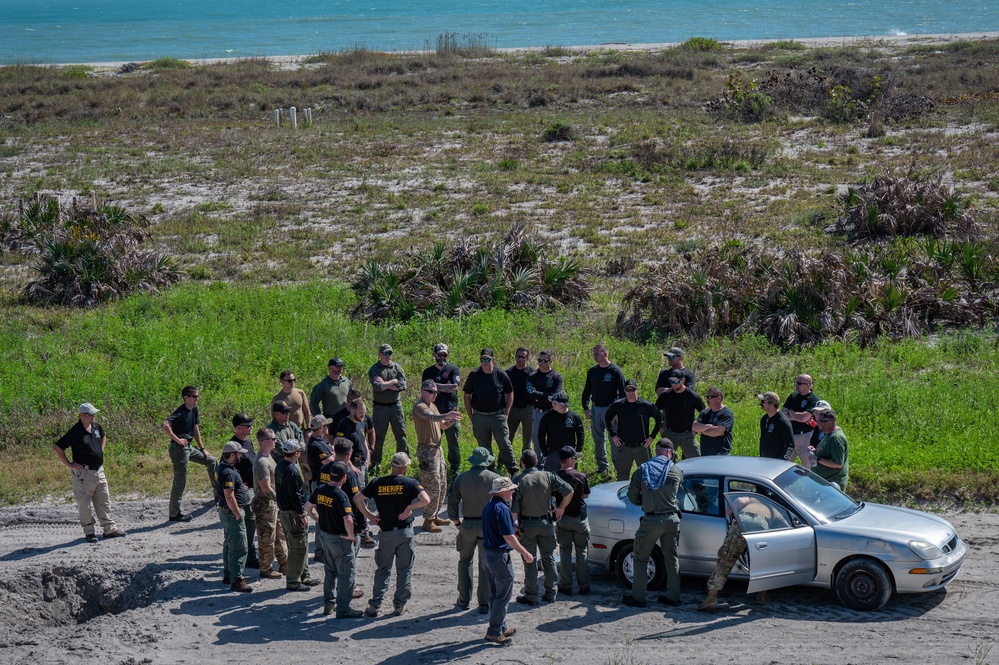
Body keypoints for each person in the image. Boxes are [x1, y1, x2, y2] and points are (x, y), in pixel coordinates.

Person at [354, 452, 430, 617]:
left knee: (383, 570)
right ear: (406, 467)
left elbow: (357, 498)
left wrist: (370, 516)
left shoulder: (377, 483)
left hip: (386, 533)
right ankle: (399, 605)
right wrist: (409, 508)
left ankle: (375, 605)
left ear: (391, 464)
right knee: (404, 570)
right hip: (405, 532)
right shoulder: (410, 483)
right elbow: (426, 500)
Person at [52, 403, 126, 543]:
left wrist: (101, 449)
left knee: (104, 501)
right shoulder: (76, 431)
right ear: (82, 415)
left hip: (99, 470)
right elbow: (57, 447)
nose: (94, 416)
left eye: (93, 414)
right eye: (91, 414)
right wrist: (69, 464)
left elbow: (103, 436)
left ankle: (109, 529)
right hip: (83, 473)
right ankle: (89, 532)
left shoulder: (97, 426)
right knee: (84, 504)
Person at [622, 439, 683, 608]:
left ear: (657, 452)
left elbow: (632, 495)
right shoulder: (676, 471)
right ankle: (674, 596)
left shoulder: (643, 470)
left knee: (641, 558)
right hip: (672, 520)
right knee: (671, 558)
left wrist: (646, 500)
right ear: (669, 453)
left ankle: (638, 597)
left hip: (652, 520)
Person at [511, 450, 574, 605]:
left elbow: (514, 509)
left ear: (522, 463)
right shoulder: (548, 475)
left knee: (529, 560)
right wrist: (561, 508)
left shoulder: (518, 480)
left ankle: (531, 596)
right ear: (537, 462)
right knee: (549, 558)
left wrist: (514, 526)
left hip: (528, 525)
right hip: (546, 523)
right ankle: (551, 593)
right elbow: (569, 491)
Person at [304, 461, 363, 618]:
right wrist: (351, 535)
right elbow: (348, 519)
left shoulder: (320, 489)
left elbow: (308, 507)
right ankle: (343, 609)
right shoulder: (340, 494)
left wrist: (318, 519)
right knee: (346, 573)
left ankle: (328, 605)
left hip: (325, 536)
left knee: (330, 572)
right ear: (344, 477)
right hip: (340, 539)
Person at [481, 476, 535, 646]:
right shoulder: (502, 509)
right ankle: (494, 632)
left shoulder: (488, 506)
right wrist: (525, 552)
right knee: (503, 596)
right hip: (498, 556)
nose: (513, 491)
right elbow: (509, 537)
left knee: (495, 594)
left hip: (487, 554)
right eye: (511, 489)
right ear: (503, 492)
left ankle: (501, 627)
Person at [446, 447, 500, 613]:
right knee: (486, 565)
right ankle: (484, 603)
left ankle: (464, 599)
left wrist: (456, 521)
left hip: (467, 525)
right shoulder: (495, 478)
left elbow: (452, 501)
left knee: (464, 562)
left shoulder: (461, 478)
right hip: (488, 526)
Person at [697, 495, 773, 611]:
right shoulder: (774, 508)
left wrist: (731, 512)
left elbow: (737, 503)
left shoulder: (752, 499)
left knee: (726, 561)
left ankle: (711, 598)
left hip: (742, 521)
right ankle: (762, 596)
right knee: (760, 563)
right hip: (761, 526)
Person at [412, 379, 461, 532]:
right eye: (432, 392)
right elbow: (430, 417)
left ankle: (434, 515)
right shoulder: (420, 406)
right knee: (432, 486)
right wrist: (447, 414)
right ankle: (427, 520)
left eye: (436, 392)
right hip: (427, 451)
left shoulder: (433, 405)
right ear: (423, 392)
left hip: (437, 450)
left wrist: (451, 420)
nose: (435, 395)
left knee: (441, 485)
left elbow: (440, 425)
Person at [162, 386, 216, 523]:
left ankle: (219, 495)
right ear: (186, 398)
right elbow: (164, 425)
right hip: (179, 449)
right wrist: (177, 439)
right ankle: (174, 513)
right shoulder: (180, 412)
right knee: (180, 480)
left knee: (211, 461)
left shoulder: (194, 409)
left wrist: (203, 448)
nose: (197, 399)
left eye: (197, 396)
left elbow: (195, 429)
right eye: (195, 396)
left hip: (189, 447)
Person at [463, 348, 517, 475]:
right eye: (482, 359)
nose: (484, 362)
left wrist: (507, 413)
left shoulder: (501, 374)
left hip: (498, 415)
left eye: (487, 359)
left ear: (493, 360)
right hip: (480, 416)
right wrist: (471, 416)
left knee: (504, 443)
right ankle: (490, 469)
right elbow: (466, 395)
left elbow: (510, 393)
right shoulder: (474, 374)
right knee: (484, 445)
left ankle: (512, 468)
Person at [275, 439, 318, 591]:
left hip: (286, 513)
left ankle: (304, 576)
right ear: (297, 453)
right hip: (293, 514)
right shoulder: (292, 471)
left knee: (301, 545)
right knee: (297, 548)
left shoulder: (280, 465)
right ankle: (293, 581)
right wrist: (301, 515)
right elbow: (295, 496)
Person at [581, 343, 627, 475]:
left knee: (614, 439)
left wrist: (619, 411)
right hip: (596, 408)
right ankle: (602, 467)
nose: (595, 356)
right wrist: (586, 407)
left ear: (605, 354)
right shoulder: (592, 371)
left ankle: (619, 467)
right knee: (598, 439)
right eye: (594, 354)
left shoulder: (615, 371)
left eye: (597, 354)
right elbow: (586, 391)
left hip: (611, 409)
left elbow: (623, 394)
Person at [604, 379, 663, 481]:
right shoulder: (618, 405)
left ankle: (646, 496)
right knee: (622, 476)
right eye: (628, 390)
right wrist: (613, 435)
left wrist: (652, 437)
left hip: (642, 447)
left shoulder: (646, 405)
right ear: (625, 391)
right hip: (624, 448)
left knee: (648, 475)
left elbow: (660, 418)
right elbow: (607, 417)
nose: (630, 392)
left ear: (637, 390)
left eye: (633, 389)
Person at [214, 440, 252, 592]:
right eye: (238, 454)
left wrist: (239, 487)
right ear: (231, 455)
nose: (241, 456)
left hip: (226, 512)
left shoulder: (225, 468)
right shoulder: (228, 472)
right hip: (232, 513)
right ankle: (238, 580)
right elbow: (229, 497)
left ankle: (229, 574)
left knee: (229, 543)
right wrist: (237, 514)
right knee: (239, 546)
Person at [421, 343, 463, 475]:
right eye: (439, 354)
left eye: (444, 354)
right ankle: (433, 466)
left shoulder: (453, 369)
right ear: (434, 354)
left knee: (453, 442)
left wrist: (433, 386)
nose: (442, 357)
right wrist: (445, 386)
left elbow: (454, 387)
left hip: (450, 412)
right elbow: (424, 389)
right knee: (432, 442)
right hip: (433, 413)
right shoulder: (428, 372)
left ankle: (454, 468)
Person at [251, 428, 287, 579]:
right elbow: (266, 488)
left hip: (272, 504)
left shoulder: (268, 457)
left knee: (279, 534)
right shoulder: (262, 463)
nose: (275, 441)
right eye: (273, 439)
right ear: (265, 442)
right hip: (266, 504)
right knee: (267, 538)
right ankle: (266, 568)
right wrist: (281, 500)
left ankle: (285, 563)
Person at [555, 447, 591, 596]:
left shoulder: (555, 476)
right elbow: (586, 495)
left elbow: (552, 496)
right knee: (582, 551)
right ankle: (584, 586)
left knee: (565, 551)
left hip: (563, 519)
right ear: (569, 460)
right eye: (574, 458)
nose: (576, 460)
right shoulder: (581, 476)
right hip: (579, 518)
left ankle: (566, 585)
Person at [368, 343, 409, 468]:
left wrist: (386, 384)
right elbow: (377, 387)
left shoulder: (397, 368)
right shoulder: (374, 369)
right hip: (380, 407)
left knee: (401, 433)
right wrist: (393, 382)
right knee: (378, 435)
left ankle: (403, 459)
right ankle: (375, 461)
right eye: (385, 353)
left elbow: (402, 386)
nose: (388, 356)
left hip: (396, 406)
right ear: (379, 354)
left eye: (390, 353)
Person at [227, 413, 259, 569]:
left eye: (251, 424)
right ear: (238, 428)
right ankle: (248, 557)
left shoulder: (248, 442)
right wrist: (239, 485)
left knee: (251, 523)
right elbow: (227, 468)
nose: (251, 427)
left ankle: (250, 555)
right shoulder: (233, 446)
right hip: (243, 492)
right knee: (245, 524)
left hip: (252, 488)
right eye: (247, 425)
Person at [305, 415, 334, 564]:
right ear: (321, 428)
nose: (328, 428)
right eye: (326, 425)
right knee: (321, 518)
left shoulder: (321, 441)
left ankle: (323, 550)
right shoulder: (316, 444)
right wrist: (334, 454)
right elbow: (330, 461)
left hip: (323, 483)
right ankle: (319, 552)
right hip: (320, 484)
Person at [655, 374, 705, 460]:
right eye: (671, 382)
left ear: (683, 380)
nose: (674, 384)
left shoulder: (692, 396)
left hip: (688, 434)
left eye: (676, 382)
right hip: (669, 433)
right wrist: (661, 427)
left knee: (697, 460)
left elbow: (704, 412)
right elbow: (656, 412)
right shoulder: (665, 395)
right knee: (665, 461)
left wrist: (695, 428)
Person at [527, 350, 564, 456]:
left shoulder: (556, 376)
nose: (541, 363)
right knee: (537, 439)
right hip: (538, 412)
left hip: (552, 412)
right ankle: (539, 465)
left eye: (544, 361)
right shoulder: (533, 375)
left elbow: (556, 395)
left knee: (554, 438)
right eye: (539, 360)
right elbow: (530, 393)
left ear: (550, 361)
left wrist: (539, 395)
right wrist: (546, 394)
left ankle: (553, 464)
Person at [536, 391, 584, 471]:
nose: (552, 404)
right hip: (553, 454)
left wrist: (577, 453)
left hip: (569, 456)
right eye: (552, 402)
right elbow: (541, 435)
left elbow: (580, 435)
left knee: (570, 480)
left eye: (556, 403)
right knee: (551, 480)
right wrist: (545, 453)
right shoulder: (547, 417)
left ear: (563, 404)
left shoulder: (574, 417)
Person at [782, 374, 821, 470]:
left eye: (799, 383)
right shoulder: (793, 396)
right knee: (783, 462)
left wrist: (791, 413)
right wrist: (797, 416)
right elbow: (783, 413)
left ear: (807, 385)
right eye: (796, 383)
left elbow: (804, 417)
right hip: (791, 435)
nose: (796, 385)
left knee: (807, 465)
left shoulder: (813, 400)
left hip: (805, 436)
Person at [506, 347, 535, 455]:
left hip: (528, 409)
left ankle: (527, 463)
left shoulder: (532, 373)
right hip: (512, 409)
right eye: (518, 356)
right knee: (507, 438)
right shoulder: (508, 373)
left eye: (523, 357)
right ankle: (503, 461)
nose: (520, 359)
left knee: (527, 440)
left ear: (527, 359)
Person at [811, 409, 849, 488]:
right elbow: (827, 453)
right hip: (824, 483)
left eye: (820, 422)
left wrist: (817, 459)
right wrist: (815, 452)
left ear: (828, 423)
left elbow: (838, 464)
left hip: (832, 485)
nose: (817, 424)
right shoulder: (828, 434)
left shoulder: (836, 438)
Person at [692, 388, 734, 456]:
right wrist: (708, 426)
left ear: (718, 398)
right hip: (705, 454)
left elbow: (717, 432)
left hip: (721, 455)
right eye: (706, 397)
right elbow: (694, 426)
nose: (707, 400)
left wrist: (702, 430)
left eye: (710, 397)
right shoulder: (704, 413)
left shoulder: (726, 413)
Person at [309, 357, 351, 422]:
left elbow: (353, 397)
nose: (340, 368)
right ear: (330, 367)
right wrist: (319, 418)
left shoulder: (346, 382)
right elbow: (313, 402)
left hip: (346, 418)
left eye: (341, 366)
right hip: (331, 420)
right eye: (337, 366)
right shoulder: (323, 385)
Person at [757, 391, 795, 461]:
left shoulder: (783, 421)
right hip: (764, 461)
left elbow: (790, 445)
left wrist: (781, 460)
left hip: (777, 463)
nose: (761, 403)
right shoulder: (764, 419)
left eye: (763, 401)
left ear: (771, 405)